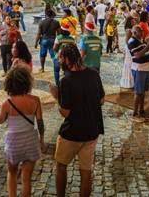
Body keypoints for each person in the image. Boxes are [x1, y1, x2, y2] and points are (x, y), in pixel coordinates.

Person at [48, 44, 105, 197]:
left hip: (72, 133)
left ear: (67, 59)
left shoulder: (66, 81)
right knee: (86, 172)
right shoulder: (93, 74)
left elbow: (65, 112)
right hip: (92, 131)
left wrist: (56, 96)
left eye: (60, 57)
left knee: (61, 165)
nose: (59, 60)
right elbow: (101, 100)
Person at [0, 65, 44, 197]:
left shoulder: (7, 103)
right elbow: (40, 122)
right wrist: (42, 139)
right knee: (26, 179)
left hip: (13, 142)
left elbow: (0, 120)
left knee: (12, 173)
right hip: (30, 140)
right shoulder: (35, 100)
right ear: (27, 82)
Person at [128, 25, 149, 121]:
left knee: (143, 92)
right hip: (139, 68)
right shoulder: (132, 42)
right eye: (140, 31)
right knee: (138, 92)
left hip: (146, 68)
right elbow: (137, 55)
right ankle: (135, 114)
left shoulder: (140, 40)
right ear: (135, 33)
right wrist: (147, 45)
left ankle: (141, 111)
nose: (142, 33)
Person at [52, 23, 77, 87]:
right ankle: (67, 84)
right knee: (67, 71)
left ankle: (57, 84)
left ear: (61, 30)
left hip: (59, 58)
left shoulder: (58, 38)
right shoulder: (72, 39)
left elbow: (54, 48)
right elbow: (74, 49)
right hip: (68, 58)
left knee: (56, 70)